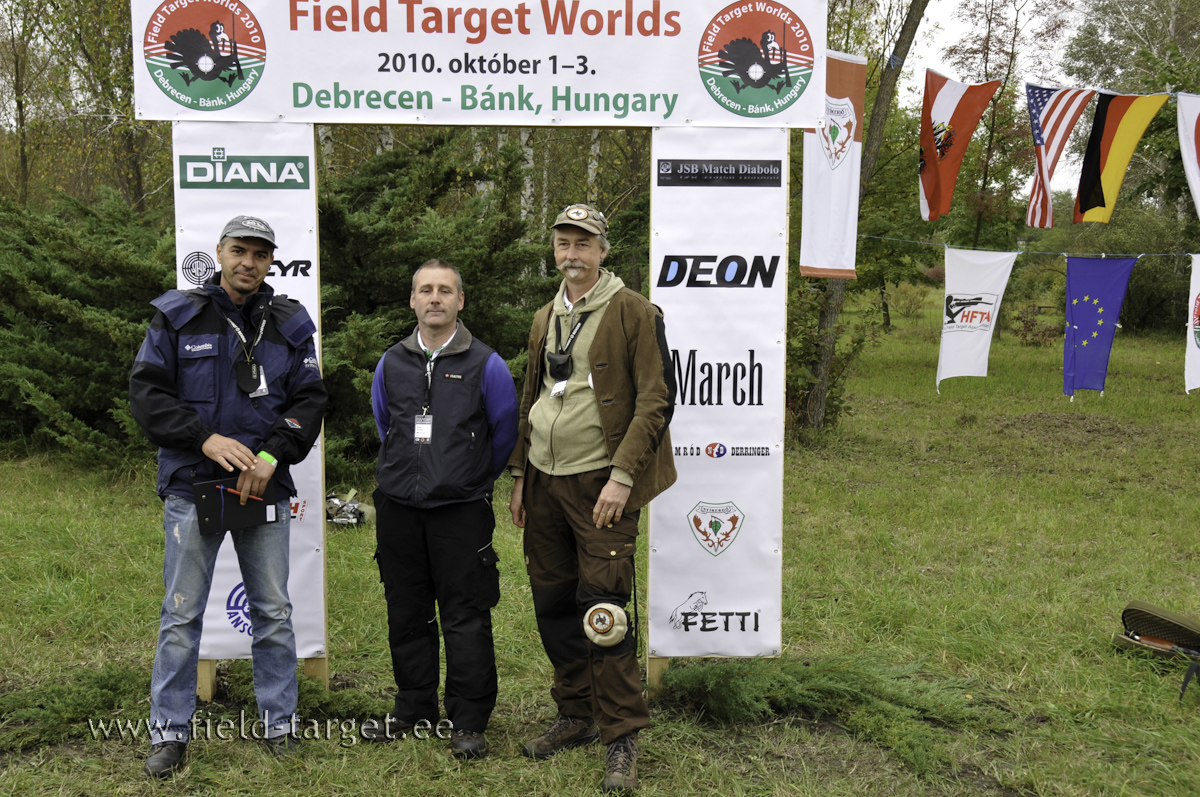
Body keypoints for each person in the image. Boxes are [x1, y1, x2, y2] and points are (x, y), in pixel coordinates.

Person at [129, 216, 328, 778]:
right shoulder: (178, 316)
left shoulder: (290, 322)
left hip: (263, 484)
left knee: (273, 611)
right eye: (239, 250)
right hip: (195, 483)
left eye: (260, 254)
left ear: (271, 262)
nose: (248, 262)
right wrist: (204, 438)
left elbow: (310, 399)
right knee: (181, 612)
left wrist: (271, 455)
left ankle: (279, 725)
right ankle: (169, 732)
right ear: (219, 252)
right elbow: (147, 395)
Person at [508, 204, 676, 793]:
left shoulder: (633, 312)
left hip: (601, 481)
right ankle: (576, 714)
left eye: (584, 243)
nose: (572, 254)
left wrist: (624, 476)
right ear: (554, 249)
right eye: (563, 243)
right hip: (545, 479)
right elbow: (533, 393)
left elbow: (657, 400)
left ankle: (621, 737)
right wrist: (520, 477)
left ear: (603, 250)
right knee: (553, 603)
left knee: (605, 613)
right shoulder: (545, 315)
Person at [367, 259, 518, 758]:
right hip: (398, 509)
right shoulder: (391, 361)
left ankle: (469, 721)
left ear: (460, 302)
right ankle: (414, 707)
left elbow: (504, 432)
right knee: (406, 609)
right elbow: (384, 422)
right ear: (412, 300)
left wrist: (470, 478)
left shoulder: (486, 364)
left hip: (460, 511)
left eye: (445, 291)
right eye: (425, 290)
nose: (435, 298)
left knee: (465, 614)